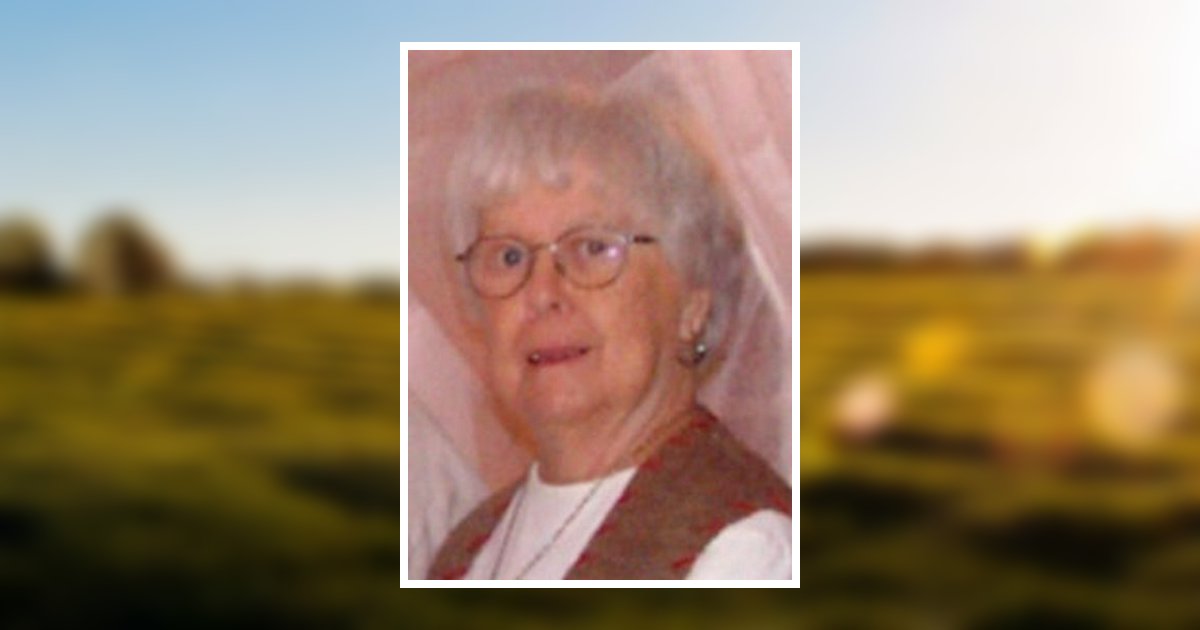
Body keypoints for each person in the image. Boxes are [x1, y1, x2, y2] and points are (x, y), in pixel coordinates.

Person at [427, 84, 791, 580]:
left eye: (593, 248)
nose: (542, 292)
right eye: (509, 256)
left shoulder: (747, 546)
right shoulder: (466, 547)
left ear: (692, 303)